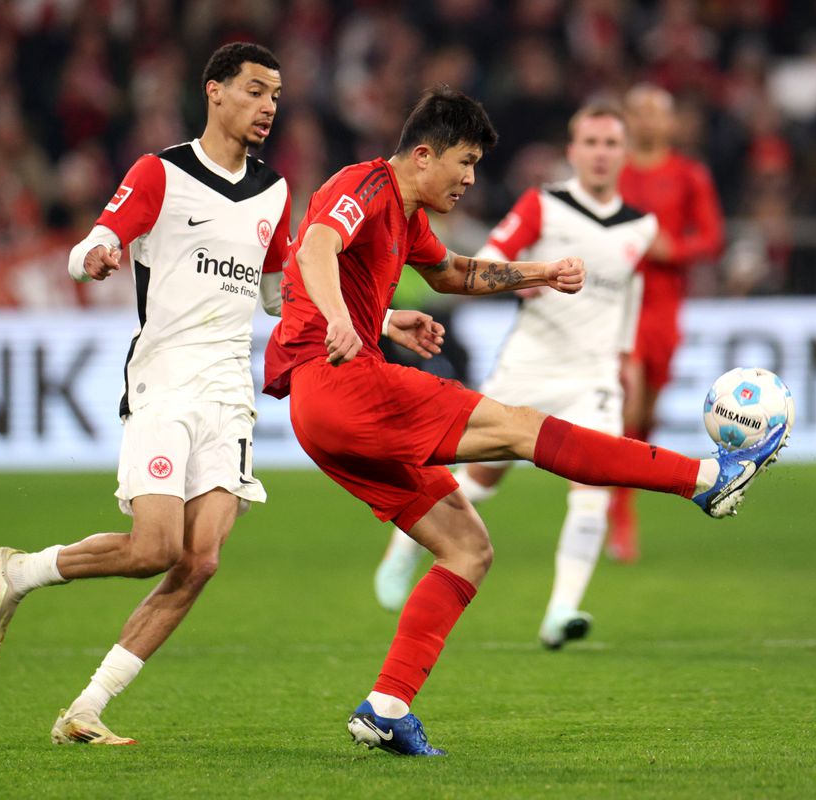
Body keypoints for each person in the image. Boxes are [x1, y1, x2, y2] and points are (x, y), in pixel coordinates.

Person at [263, 85, 786, 757]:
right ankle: (705, 479)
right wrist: (343, 320)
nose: (470, 179)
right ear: (423, 155)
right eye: (464, 162)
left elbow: (452, 273)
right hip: (344, 384)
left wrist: (537, 273)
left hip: (323, 413)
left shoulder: (408, 215)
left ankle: (387, 707)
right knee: (522, 430)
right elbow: (315, 248)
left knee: (468, 548)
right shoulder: (363, 183)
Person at [0, 42, 448, 746]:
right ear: (213, 91)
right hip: (164, 378)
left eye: (275, 95)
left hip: (228, 389)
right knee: (154, 547)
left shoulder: (273, 191)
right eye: (254, 91)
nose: (268, 107)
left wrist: (382, 318)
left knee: (200, 561)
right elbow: (88, 245)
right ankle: (20, 571)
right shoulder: (160, 173)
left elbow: (283, 294)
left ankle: (86, 709)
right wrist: (94, 256)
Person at [372, 102, 656, 651]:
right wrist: (531, 278)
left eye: (610, 143)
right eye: (590, 142)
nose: (600, 153)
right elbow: (490, 257)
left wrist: (627, 362)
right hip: (529, 364)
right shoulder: (543, 204)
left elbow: (629, 296)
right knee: (480, 478)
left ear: (624, 153)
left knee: (594, 486)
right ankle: (404, 547)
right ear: (573, 151)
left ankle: (562, 611)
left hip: (593, 373)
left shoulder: (641, 227)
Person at [607, 84, 725, 563]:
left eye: (657, 112)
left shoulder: (688, 174)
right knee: (629, 399)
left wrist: (674, 248)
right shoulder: (611, 170)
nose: (648, 120)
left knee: (647, 411)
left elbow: (712, 237)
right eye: (639, 111)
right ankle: (620, 514)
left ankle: (621, 486)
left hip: (665, 309)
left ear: (671, 123)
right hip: (619, 305)